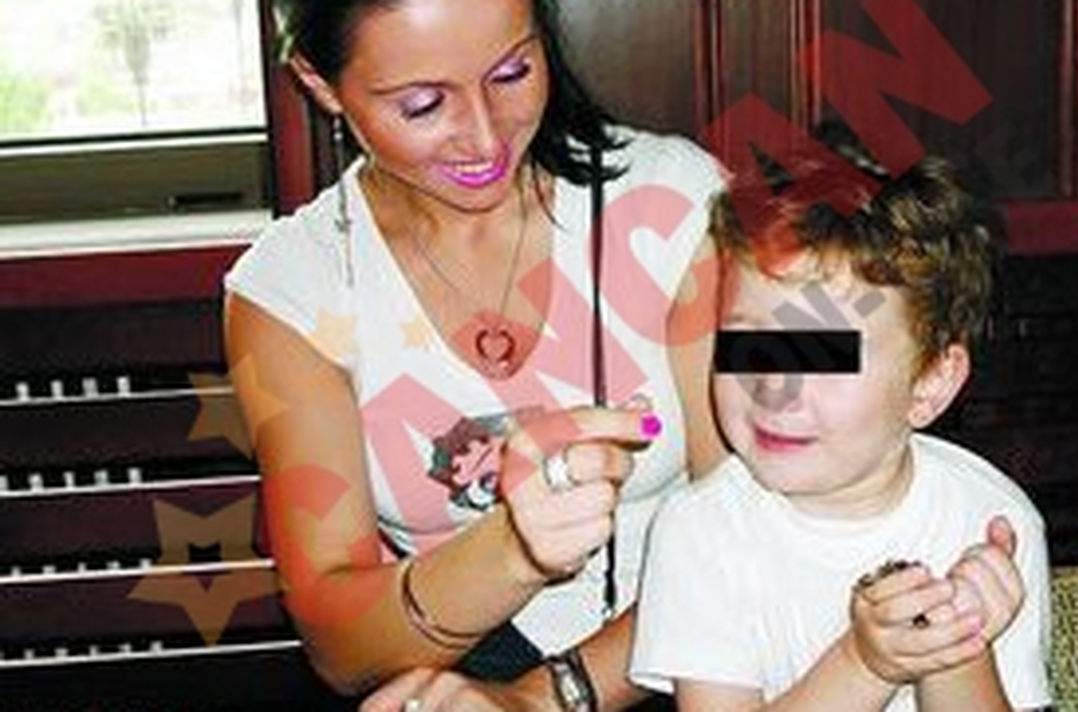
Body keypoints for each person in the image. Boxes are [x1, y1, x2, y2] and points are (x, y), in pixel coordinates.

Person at [223, 0, 727, 708]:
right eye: (423, 105)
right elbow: (339, 645)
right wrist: (514, 549)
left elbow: (763, 540)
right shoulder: (291, 291)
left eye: (512, 72)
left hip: (710, 666)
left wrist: (543, 699)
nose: (487, 138)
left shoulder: (677, 199)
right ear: (319, 83)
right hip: (463, 677)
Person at [629, 132, 1053, 711]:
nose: (774, 388)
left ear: (930, 383)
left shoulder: (989, 522)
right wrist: (865, 665)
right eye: (748, 343)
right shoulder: (701, 531)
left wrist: (958, 648)